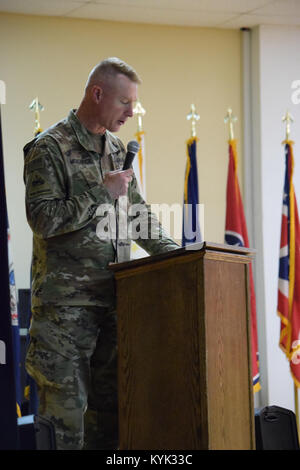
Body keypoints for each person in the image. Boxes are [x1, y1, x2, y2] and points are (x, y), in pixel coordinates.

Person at [23, 57, 178, 450]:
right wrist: (99, 193)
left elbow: (138, 214)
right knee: (65, 427)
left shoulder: (115, 149)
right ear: (98, 93)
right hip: (65, 313)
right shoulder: (50, 147)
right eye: (125, 102)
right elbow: (43, 219)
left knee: (111, 423)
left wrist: (179, 257)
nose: (132, 112)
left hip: (114, 305)